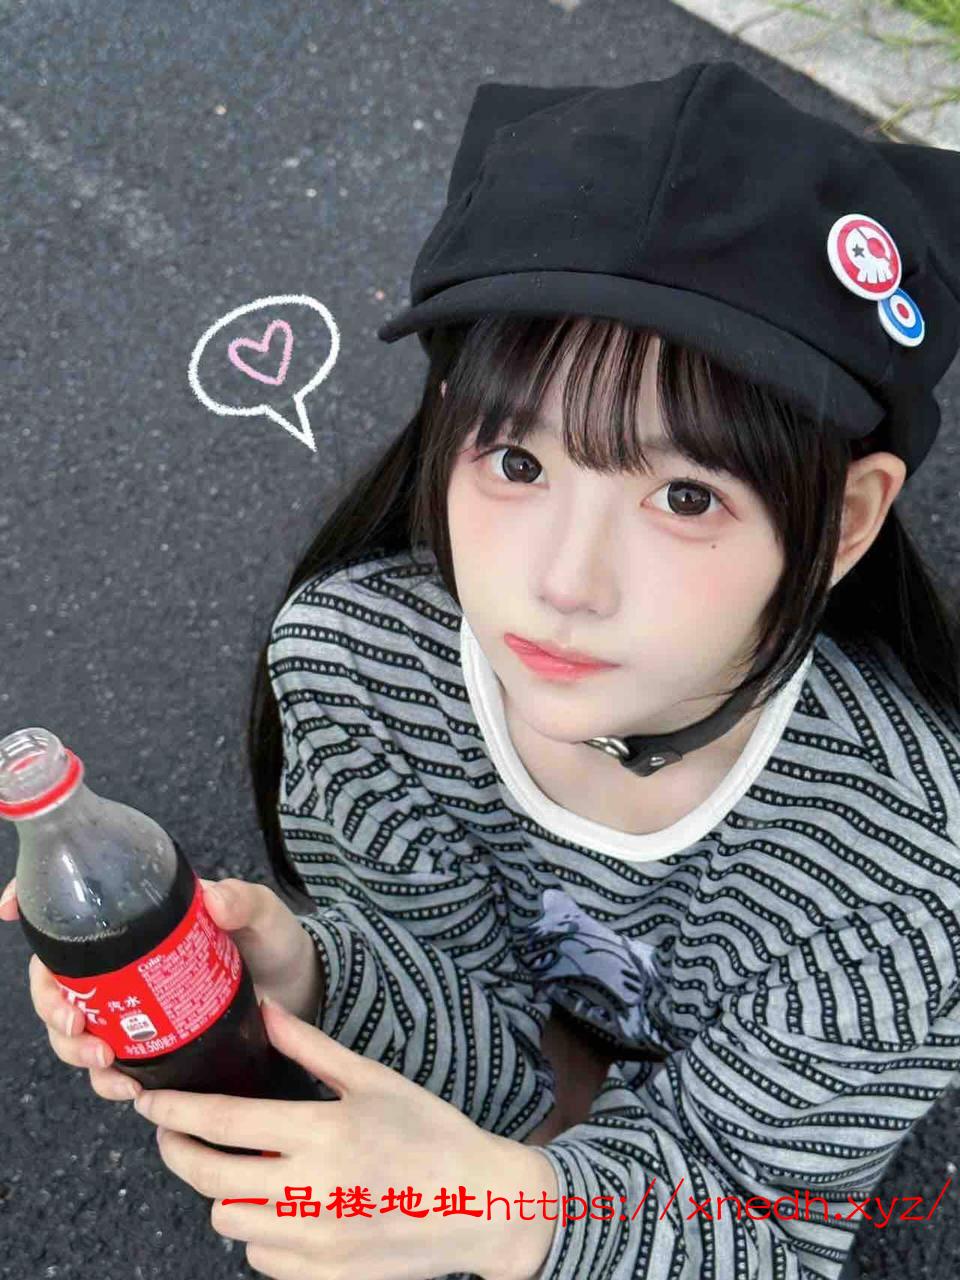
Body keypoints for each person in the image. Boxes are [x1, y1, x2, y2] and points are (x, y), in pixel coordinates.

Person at [8, 60, 960, 1280]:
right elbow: (467, 1022)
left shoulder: (908, 870)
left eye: (685, 495)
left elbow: (766, 1221)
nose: (565, 580)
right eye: (517, 462)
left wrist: (511, 1213)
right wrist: (313, 970)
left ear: (844, 520)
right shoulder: (359, 670)